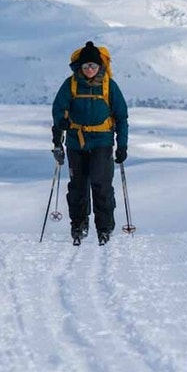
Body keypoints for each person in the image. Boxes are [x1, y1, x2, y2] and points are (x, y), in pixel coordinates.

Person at [51, 41, 129, 246]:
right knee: (77, 187)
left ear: (100, 66)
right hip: (76, 143)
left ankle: (104, 227)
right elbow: (58, 109)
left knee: (101, 185)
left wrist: (122, 145)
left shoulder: (109, 85)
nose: (89, 70)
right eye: (85, 66)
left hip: (102, 142)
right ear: (79, 67)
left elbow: (121, 117)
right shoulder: (71, 84)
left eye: (93, 66)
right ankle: (79, 225)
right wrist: (61, 123)